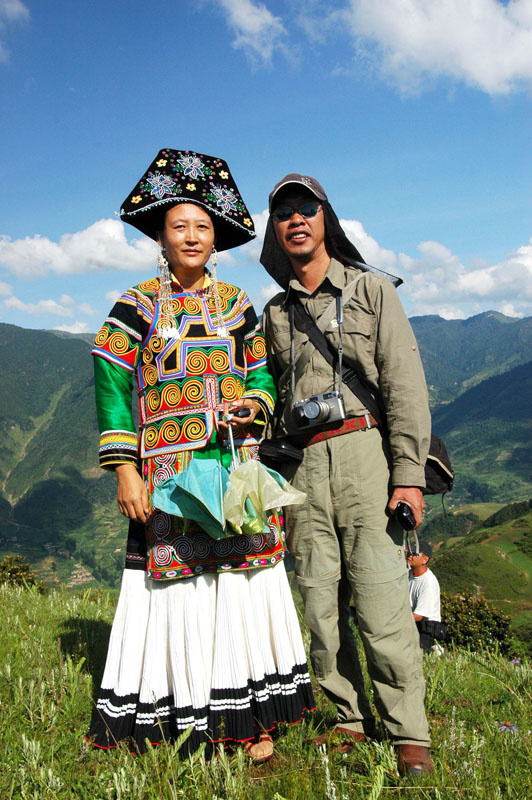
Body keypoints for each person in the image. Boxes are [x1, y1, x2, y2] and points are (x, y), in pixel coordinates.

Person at [88, 150, 314, 761]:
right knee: (180, 587)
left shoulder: (239, 305)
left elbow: (264, 375)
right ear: (161, 235)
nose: (191, 236)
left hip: (235, 468)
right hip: (167, 477)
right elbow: (110, 378)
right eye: (180, 225)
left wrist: (256, 407)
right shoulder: (136, 304)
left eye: (203, 227)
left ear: (216, 240)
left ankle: (252, 722)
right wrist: (125, 469)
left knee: (242, 583)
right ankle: (186, 716)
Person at [260, 173, 434, 776]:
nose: (296, 219)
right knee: (319, 602)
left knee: (382, 597)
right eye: (284, 212)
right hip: (303, 465)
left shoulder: (371, 291)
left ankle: (408, 733)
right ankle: (346, 721)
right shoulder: (275, 314)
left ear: (325, 218)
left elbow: (404, 383)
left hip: (365, 454)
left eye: (307, 208)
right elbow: (269, 396)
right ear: (275, 231)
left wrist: (407, 473)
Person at [407, 541, 443, 653]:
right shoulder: (408, 574)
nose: (409, 556)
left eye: (414, 554)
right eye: (409, 552)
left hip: (427, 628)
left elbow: (419, 615)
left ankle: (434, 651)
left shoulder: (428, 583)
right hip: (414, 622)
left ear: (425, 559)